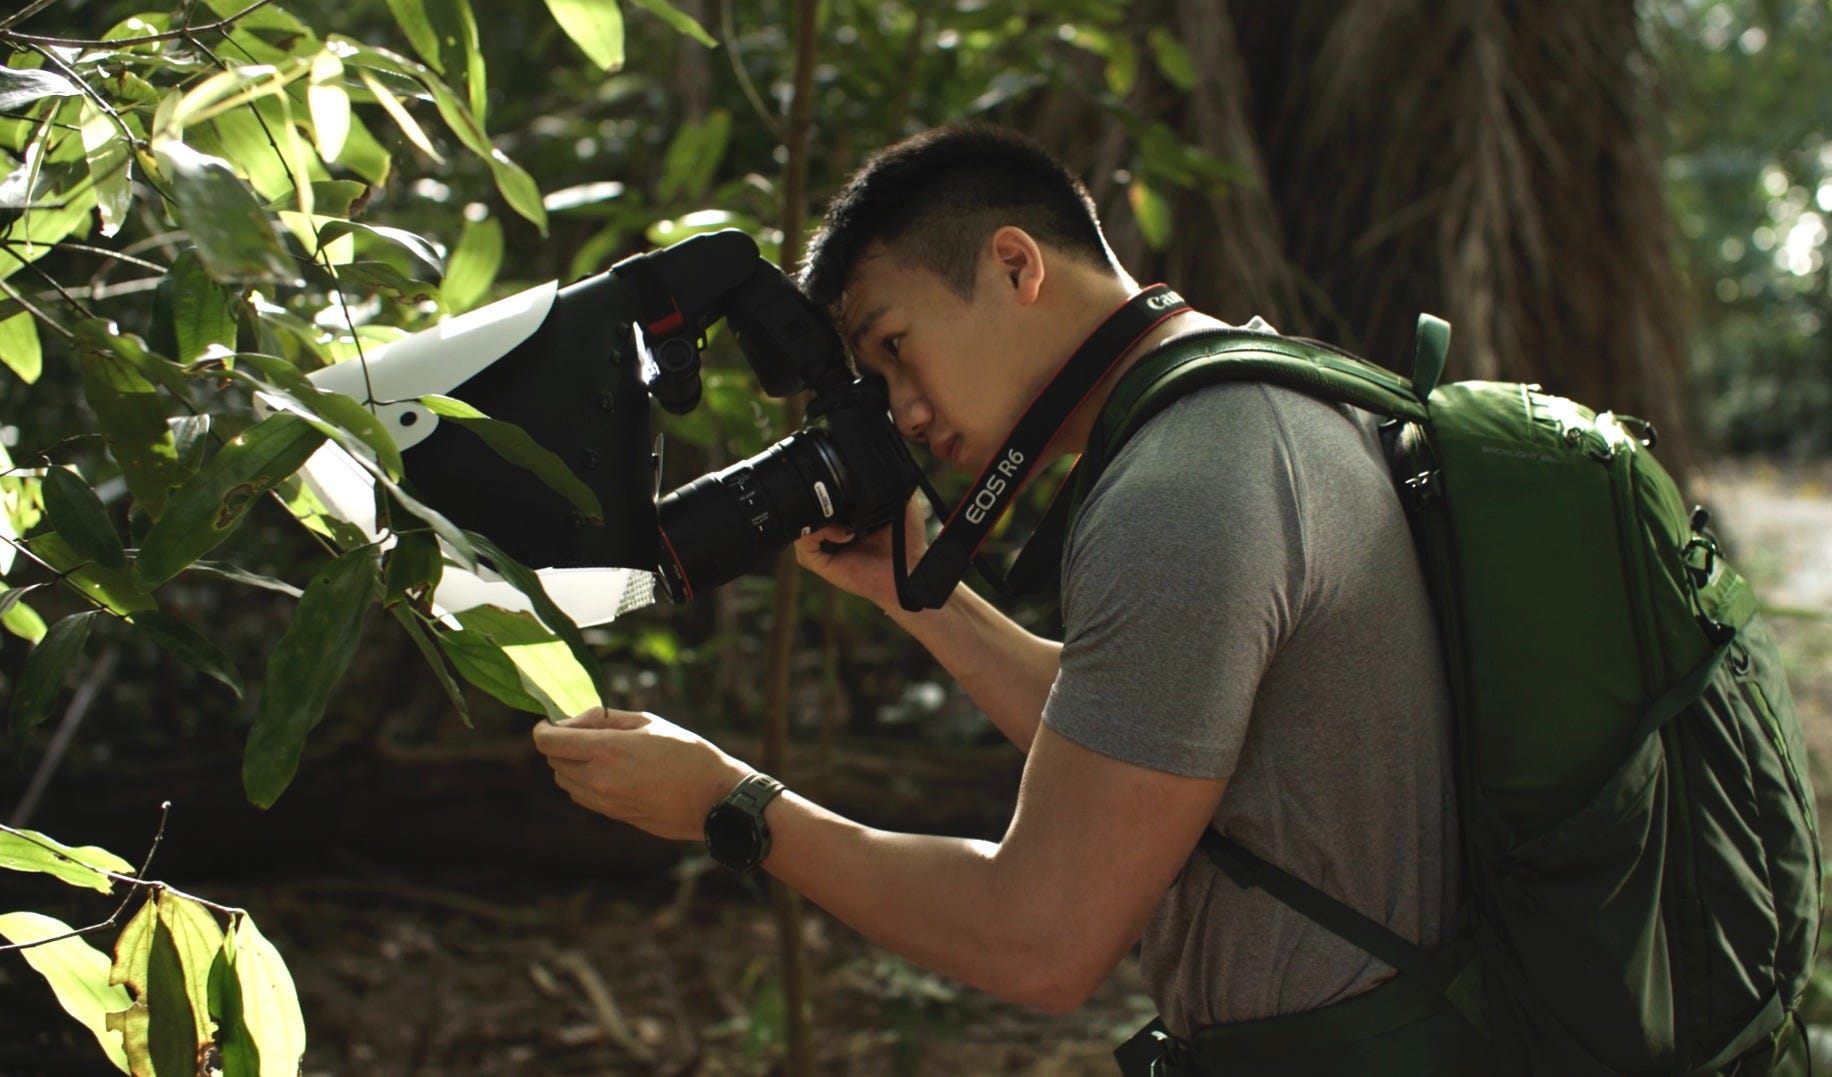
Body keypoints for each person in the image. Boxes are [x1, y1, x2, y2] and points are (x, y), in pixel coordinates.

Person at [533, 123, 1465, 1070]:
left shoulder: (1186, 486)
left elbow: (1039, 938)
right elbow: (1143, 732)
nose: (900, 409)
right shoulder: (1261, 401)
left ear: (1016, 265)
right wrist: (921, 593)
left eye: (895, 345)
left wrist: (732, 805)